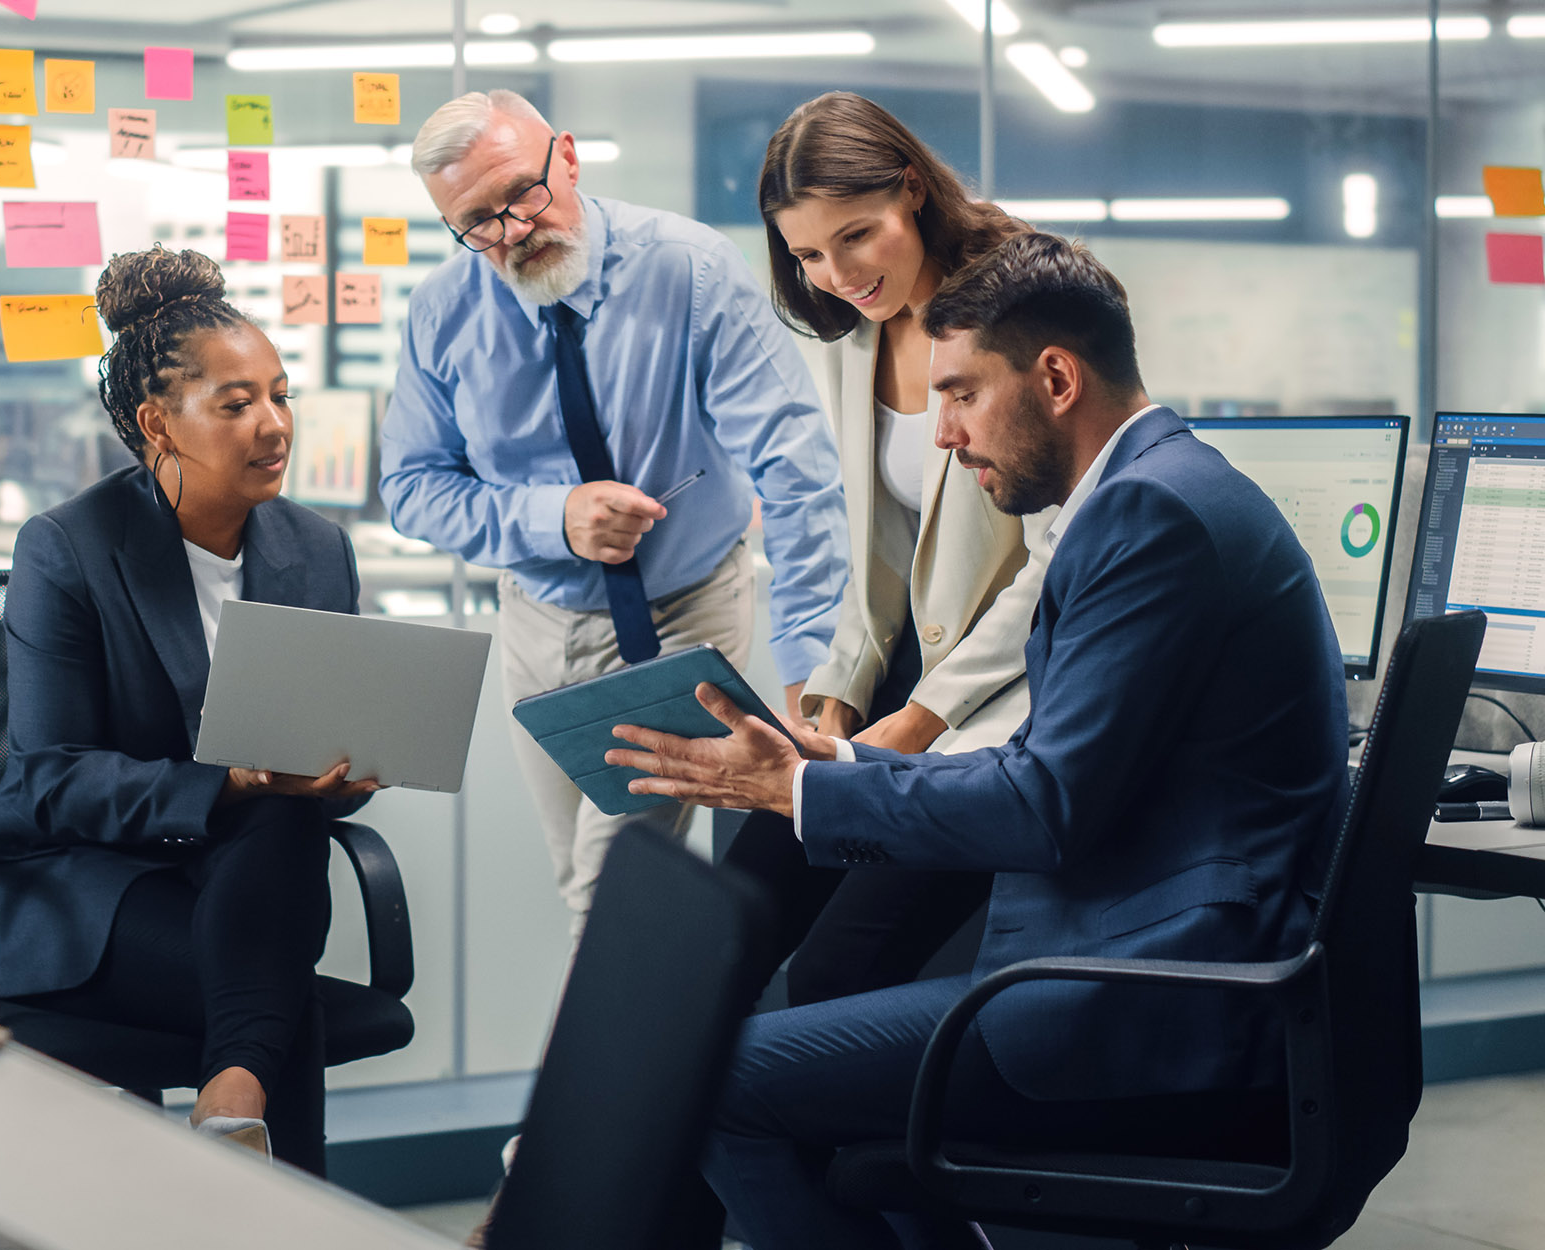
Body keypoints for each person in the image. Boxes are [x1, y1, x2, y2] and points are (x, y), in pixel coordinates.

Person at [606, 234, 1349, 1250]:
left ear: (1053, 376)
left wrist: (801, 794)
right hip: (1130, 960)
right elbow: (1055, 767)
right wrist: (839, 764)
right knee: (813, 1082)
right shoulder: (1150, 494)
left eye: (958, 394)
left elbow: (1045, 804)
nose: (943, 436)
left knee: (710, 1080)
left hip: (1148, 1000)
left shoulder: (1148, 518)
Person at [380, 88, 851, 935]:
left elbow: (796, 469)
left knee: (612, 895)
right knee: (587, 885)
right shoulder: (445, 313)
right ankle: (689, 1062)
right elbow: (412, 486)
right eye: (478, 223)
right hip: (537, 623)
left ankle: (600, 1072)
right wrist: (551, 518)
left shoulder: (690, 270)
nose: (514, 231)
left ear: (566, 154)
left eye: (523, 193)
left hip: (685, 611)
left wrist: (816, 670)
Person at [0, 246, 379, 1176]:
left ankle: (229, 1120)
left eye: (281, 394)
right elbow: (50, 774)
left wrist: (343, 768)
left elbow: (313, 770)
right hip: (91, 885)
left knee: (284, 812)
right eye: (236, 405)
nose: (273, 426)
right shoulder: (70, 548)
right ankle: (250, 1131)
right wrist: (232, 781)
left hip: (252, 875)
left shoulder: (316, 551)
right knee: (279, 1004)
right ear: (157, 423)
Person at [722, 91, 1047, 1008]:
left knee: (837, 968)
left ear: (912, 189)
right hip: (900, 678)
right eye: (809, 254)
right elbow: (881, 549)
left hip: (1000, 700)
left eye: (856, 236)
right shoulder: (861, 332)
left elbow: (1060, 565)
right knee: (731, 914)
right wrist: (836, 697)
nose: (837, 273)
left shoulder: (1023, 305)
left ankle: (841, 1147)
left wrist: (921, 720)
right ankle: (673, 1152)